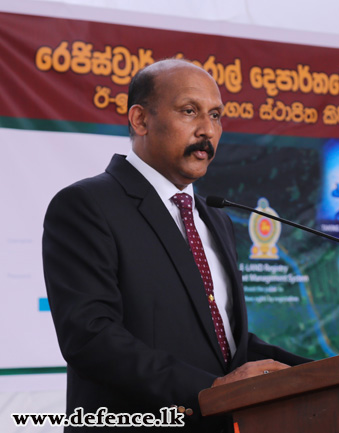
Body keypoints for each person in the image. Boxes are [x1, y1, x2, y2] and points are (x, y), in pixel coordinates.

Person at [42, 59, 311, 432]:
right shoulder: (86, 205)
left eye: (216, 116)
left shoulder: (214, 217)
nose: (207, 131)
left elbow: (226, 341)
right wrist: (210, 390)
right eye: (190, 111)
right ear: (140, 120)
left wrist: (324, 371)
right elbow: (91, 337)